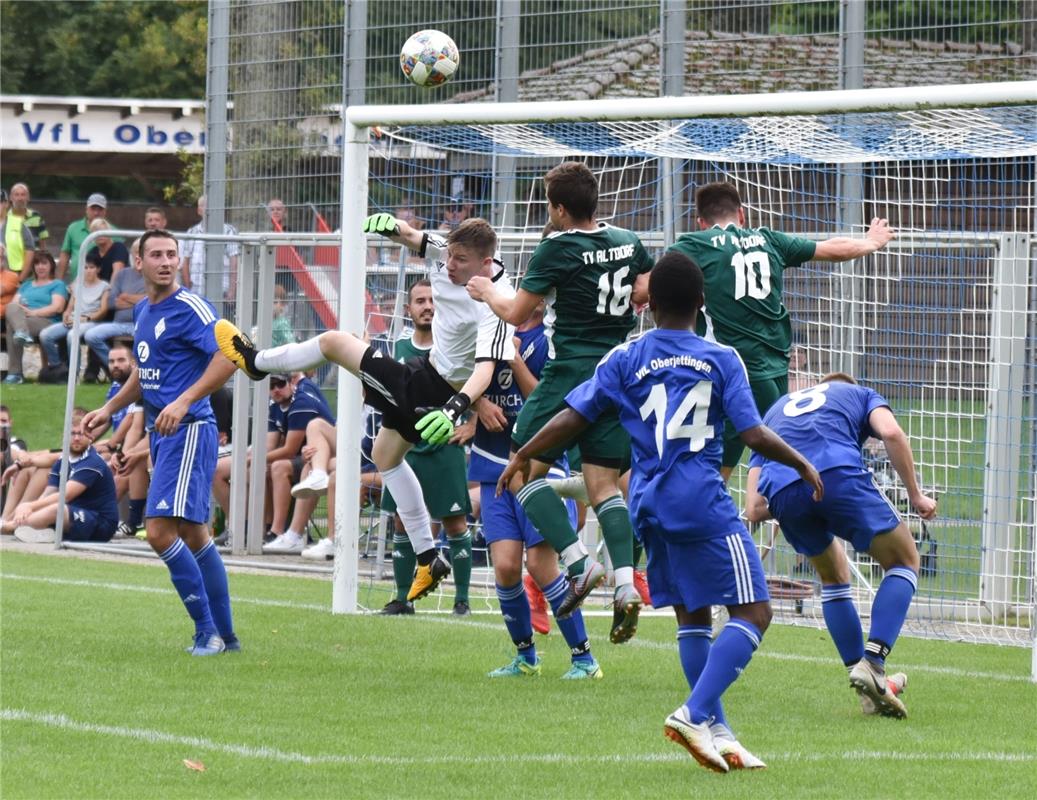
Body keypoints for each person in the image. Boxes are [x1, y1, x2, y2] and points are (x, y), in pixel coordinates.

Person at [498, 252, 822, 772]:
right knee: (754, 613)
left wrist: (522, 452)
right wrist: (801, 462)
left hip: (647, 503)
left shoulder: (624, 358)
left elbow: (572, 416)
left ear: (648, 308)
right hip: (701, 500)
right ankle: (694, 713)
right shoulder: (722, 358)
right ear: (702, 302)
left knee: (693, 616)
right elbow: (754, 431)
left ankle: (720, 733)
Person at [217, 215, 515, 603]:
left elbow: (485, 370)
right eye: (451, 256)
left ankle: (256, 362)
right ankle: (428, 556)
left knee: (333, 343)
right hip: (426, 373)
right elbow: (413, 237)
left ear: (486, 264)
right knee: (385, 456)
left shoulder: (497, 301)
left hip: (435, 389)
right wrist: (390, 225)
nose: (449, 265)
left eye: (460, 260)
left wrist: (455, 408)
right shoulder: (448, 255)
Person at [466, 161, 654, 641]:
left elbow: (515, 312)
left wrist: (487, 290)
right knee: (605, 484)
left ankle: (577, 561)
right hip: (618, 372)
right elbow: (645, 290)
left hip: (570, 375)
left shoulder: (557, 246)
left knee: (522, 465)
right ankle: (626, 586)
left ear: (560, 209)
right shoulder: (628, 241)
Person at [667, 181, 896, 482]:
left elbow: (652, 285)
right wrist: (871, 242)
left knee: (694, 460)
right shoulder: (769, 240)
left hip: (730, 372)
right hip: (773, 375)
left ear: (701, 222)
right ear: (742, 214)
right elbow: (832, 249)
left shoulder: (693, 246)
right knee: (758, 455)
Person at [83, 229, 239, 657]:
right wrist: (109, 407)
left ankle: (206, 632)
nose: (166, 261)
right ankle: (226, 637)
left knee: (156, 532)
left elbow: (230, 355)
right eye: (157, 254)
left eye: (172, 254)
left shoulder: (189, 307)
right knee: (192, 533)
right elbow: (145, 372)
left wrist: (186, 399)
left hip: (189, 429)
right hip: (164, 435)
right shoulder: (146, 311)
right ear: (140, 263)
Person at [744, 374, 937, 718]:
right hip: (837, 473)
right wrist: (915, 495)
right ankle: (874, 662)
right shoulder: (861, 394)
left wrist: (799, 496)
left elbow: (753, 509)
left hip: (784, 494)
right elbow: (891, 433)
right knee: (904, 560)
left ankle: (866, 689)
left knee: (834, 577)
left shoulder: (775, 412)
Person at [471, 299, 603, 678]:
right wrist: (477, 404)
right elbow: (458, 375)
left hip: (537, 468)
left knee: (541, 565)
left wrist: (514, 359)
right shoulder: (488, 334)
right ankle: (526, 657)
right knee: (506, 567)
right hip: (491, 466)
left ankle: (584, 658)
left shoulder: (549, 343)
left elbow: (547, 403)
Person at [354, 279, 475, 615]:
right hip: (407, 447)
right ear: (408, 309)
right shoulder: (398, 348)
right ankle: (403, 597)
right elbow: (380, 395)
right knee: (400, 522)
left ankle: (461, 600)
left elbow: (478, 386)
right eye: (420, 300)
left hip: (444, 447)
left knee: (454, 522)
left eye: (432, 300)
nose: (427, 306)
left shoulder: (451, 350)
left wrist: (471, 424)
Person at [2, 416, 118, 543]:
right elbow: (49, 493)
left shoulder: (92, 462)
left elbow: (65, 496)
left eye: (81, 434)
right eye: (72, 433)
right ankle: (36, 529)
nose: (77, 438)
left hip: (100, 522)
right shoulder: (63, 460)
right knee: (51, 507)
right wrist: (28, 510)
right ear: (64, 435)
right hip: (74, 517)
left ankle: (10, 526)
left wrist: (29, 505)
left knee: (57, 509)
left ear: (91, 437)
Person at [262, 372, 335, 553]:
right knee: (256, 470)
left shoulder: (301, 402)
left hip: (334, 457)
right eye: (271, 387)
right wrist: (250, 459)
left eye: (280, 384)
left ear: (291, 383)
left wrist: (251, 459)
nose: (276, 390)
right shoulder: (275, 407)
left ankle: (279, 532)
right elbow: (269, 447)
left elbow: (289, 450)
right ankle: (260, 529)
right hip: (312, 458)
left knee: (277, 467)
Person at [38, 252, 110, 377]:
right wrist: (66, 314)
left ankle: (73, 373)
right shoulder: (78, 285)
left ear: (98, 269)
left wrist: (85, 318)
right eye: (85, 267)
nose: (88, 271)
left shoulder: (104, 287)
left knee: (72, 335)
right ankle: (58, 368)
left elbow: (103, 311)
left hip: (91, 321)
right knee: (45, 335)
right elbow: (70, 306)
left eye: (92, 267)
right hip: (73, 320)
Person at [4, 252, 69, 384]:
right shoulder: (26, 285)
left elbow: (57, 308)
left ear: (51, 265)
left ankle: (15, 374)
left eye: (44, 263)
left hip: (47, 321)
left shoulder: (57, 284)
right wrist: (23, 313)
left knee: (12, 327)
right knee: (11, 308)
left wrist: (33, 312)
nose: (40, 267)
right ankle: (22, 333)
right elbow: (15, 304)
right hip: (24, 320)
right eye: (37, 263)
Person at [83, 237, 147, 369]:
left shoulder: (153, 275)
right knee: (91, 336)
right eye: (136, 252)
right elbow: (111, 302)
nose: (138, 255)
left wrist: (126, 296)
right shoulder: (122, 274)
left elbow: (152, 301)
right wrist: (139, 300)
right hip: (119, 324)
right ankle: (118, 368)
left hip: (141, 326)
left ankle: (137, 372)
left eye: (142, 252)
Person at [181, 195, 239, 303]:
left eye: (211, 206)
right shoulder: (192, 232)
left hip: (221, 294)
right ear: (199, 210)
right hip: (196, 294)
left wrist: (232, 291)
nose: (208, 209)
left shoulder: (228, 231)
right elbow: (185, 262)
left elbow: (234, 263)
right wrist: (188, 289)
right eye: (204, 206)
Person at [58, 193, 108, 282]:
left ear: (105, 211)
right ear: (86, 209)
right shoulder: (73, 228)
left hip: (101, 285)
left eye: (100, 209)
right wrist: (59, 281)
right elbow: (65, 255)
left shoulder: (112, 231)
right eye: (93, 209)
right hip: (75, 283)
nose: (96, 213)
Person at [1, 184, 37, 280]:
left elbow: (30, 252)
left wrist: (20, 280)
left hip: (14, 275)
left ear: (6, 204)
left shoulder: (19, 224)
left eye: (0, 202)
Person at [85, 219, 129, 283]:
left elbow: (117, 273)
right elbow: (85, 274)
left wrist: (108, 292)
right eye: (97, 232)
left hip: (119, 289)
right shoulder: (92, 252)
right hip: (99, 289)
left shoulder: (119, 247)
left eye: (103, 231)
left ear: (109, 232)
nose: (100, 234)